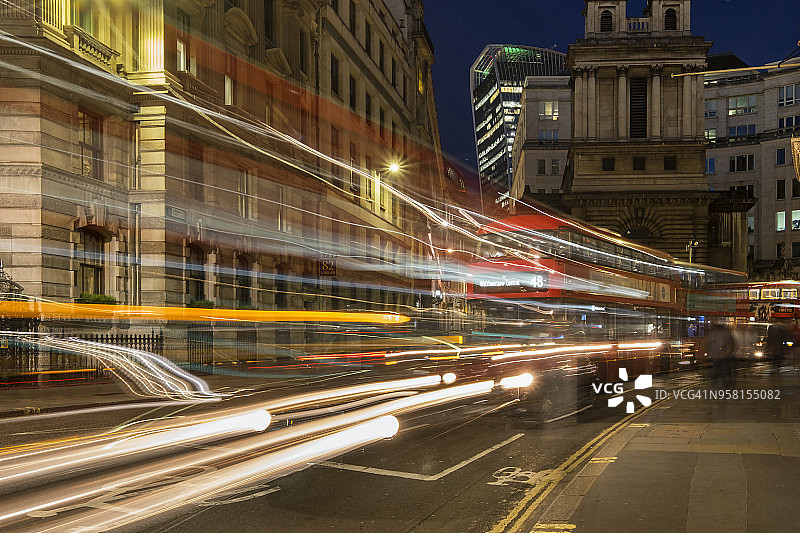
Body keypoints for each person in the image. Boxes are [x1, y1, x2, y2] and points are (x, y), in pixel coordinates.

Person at [707, 324, 736, 389]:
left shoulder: (713, 334)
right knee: (722, 372)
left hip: (719, 357)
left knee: (718, 372)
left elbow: (731, 345)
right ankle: (724, 387)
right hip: (721, 357)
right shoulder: (721, 333)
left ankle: (716, 386)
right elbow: (732, 345)